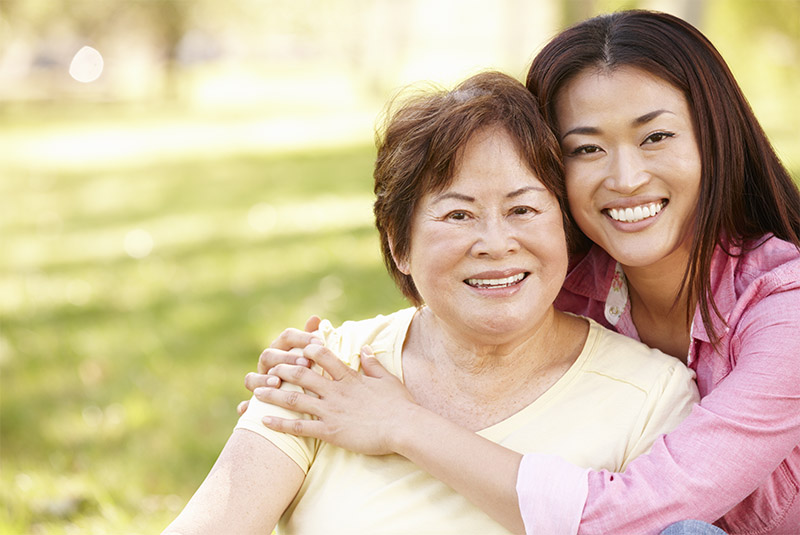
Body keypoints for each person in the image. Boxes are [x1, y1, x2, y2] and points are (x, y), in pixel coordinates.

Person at [241, 9, 800, 535]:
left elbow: (624, 517)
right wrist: (322, 369)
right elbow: (458, 287)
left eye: (656, 136)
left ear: (715, 138)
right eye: (586, 149)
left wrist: (399, 422)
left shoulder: (786, 310)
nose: (626, 177)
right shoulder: (565, 272)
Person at [163, 71, 698, 535]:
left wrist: (403, 425)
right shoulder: (324, 370)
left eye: (523, 210)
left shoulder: (651, 397)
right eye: (458, 215)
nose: (494, 242)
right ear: (399, 245)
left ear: (564, 226)